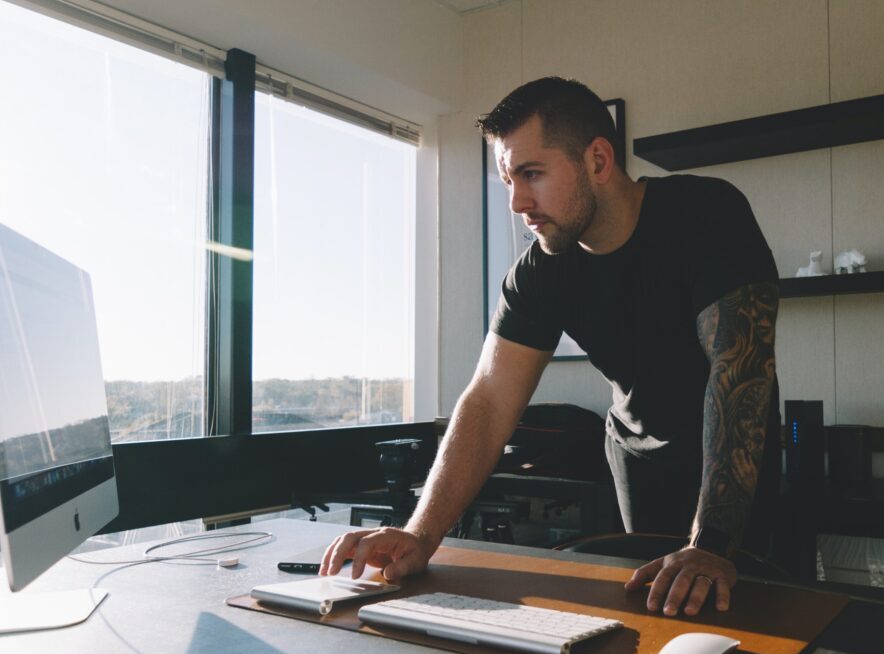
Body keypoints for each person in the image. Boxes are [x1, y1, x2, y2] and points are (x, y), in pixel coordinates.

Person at [321, 76, 780, 618]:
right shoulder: (538, 273)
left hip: (733, 460)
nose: (517, 202)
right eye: (508, 179)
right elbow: (490, 400)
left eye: (531, 174)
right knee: (661, 619)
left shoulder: (707, 214)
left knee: (751, 616)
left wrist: (710, 545)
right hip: (636, 460)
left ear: (599, 161)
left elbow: (738, 373)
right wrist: (420, 533)